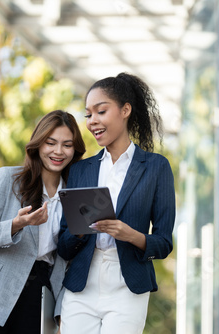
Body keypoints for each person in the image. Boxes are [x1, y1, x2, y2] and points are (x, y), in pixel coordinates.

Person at [57, 72, 176, 334]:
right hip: (81, 283)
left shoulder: (156, 167)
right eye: (88, 115)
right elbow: (64, 246)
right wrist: (78, 229)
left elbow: (165, 243)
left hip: (128, 284)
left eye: (101, 111)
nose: (92, 121)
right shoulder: (80, 170)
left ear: (125, 110)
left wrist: (131, 235)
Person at [0, 110, 86, 333]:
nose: (58, 151)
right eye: (50, 143)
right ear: (38, 145)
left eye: (67, 145)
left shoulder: (76, 196)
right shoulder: (8, 179)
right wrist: (16, 225)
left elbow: (67, 259)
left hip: (39, 295)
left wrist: (61, 310)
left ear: (76, 149)